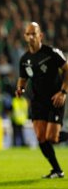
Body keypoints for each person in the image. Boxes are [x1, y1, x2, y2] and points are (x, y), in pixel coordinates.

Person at [15, 22, 68, 179]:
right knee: (40, 137)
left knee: (53, 138)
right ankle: (57, 170)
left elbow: (67, 70)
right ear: (25, 36)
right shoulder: (24, 59)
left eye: (34, 33)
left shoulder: (51, 53)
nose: (31, 37)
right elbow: (23, 78)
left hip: (55, 98)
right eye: (28, 34)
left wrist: (63, 92)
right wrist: (20, 89)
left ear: (40, 35)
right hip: (37, 101)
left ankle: (57, 170)